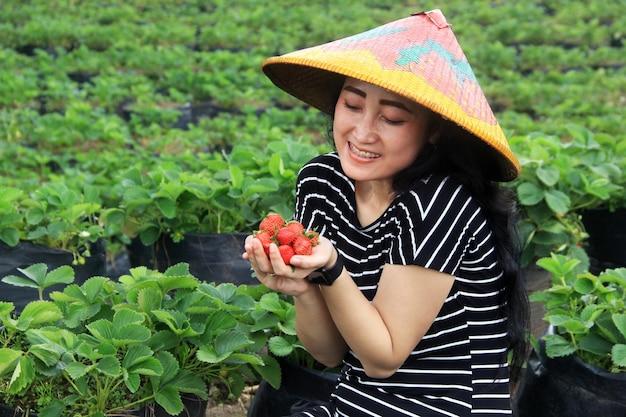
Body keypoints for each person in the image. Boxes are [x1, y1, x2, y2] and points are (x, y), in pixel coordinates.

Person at [243, 9, 529, 417]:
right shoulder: (324, 183)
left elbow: (383, 358)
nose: (362, 133)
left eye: (392, 118)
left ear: (434, 130)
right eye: (352, 105)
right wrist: (302, 288)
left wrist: (332, 269)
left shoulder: (439, 203)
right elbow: (329, 353)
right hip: (358, 404)